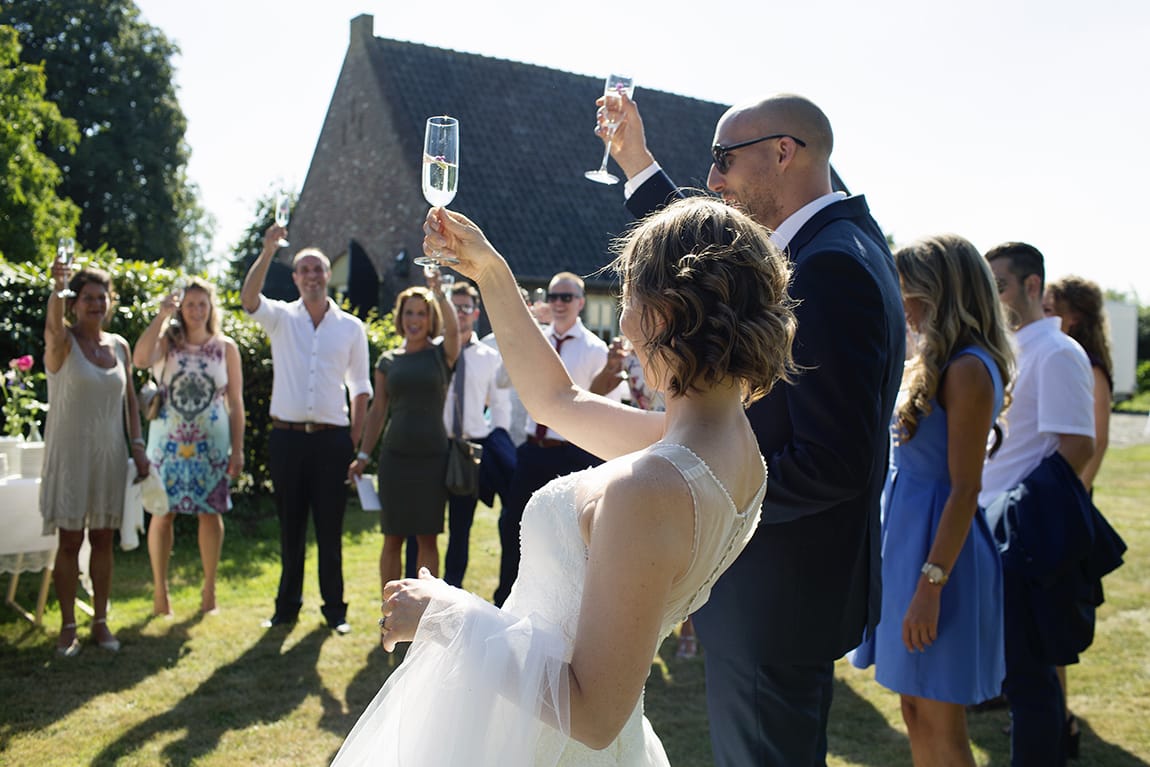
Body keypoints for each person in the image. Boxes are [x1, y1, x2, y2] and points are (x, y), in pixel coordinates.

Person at [332, 195, 797, 766]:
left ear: (668, 310)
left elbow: (595, 714)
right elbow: (557, 399)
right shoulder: (734, 454)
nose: (623, 320)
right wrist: (489, 271)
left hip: (536, 740)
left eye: (630, 297)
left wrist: (446, 612)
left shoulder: (649, 487)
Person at [598, 91, 905, 765]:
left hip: (776, 595)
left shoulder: (831, 269)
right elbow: (710, 260)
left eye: (722, 160)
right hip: (785, 590)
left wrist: (713, 504)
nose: (712, 181)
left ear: (783, 152)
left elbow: (834, 460)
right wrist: (638, 164)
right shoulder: (837, 245)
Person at [849, 234, 1014, 765]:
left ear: (937, 292)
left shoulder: (968, 368)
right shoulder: (936, 362)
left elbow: (966, 488)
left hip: (941, 560)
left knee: (942, 721)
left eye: (907, 292)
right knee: (915, 711)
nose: (902, 305)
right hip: (907, 550)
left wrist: (931, 585)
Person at [982, 242, 1095, 766]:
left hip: (1022, 536)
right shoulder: (1014, 348)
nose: (993, 296)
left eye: (999, 285)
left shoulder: (1058, 352)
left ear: (1033, 287)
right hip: (991, 530)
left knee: (1030, 681)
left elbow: (1077, 445)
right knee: (1013, 676)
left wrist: (1014, 512)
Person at [241, 225, 372, 634]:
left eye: (318, 269)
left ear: (327, 275)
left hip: (332, 441)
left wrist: (353, 439)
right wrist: (267, 251)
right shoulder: (281, 318)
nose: (312, 275)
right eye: (304, 270)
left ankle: (335, 611)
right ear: (295, 278)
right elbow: (248, 300)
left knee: (330, 529)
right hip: (286, 439)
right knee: (290, 527)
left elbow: (362, 388)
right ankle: (286, 608)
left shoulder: (351, 327)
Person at [491, 271, 624, 607]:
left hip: (573, 454)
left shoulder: (595, 349)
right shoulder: (535, 339)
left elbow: (612, 404)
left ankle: (562, 607)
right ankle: (507, 601)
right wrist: (523, 334)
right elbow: (502, 380)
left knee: (567, 538)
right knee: (512, 526)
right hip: (533, 450)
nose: (559, 304)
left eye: (566, 297)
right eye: (553, 297)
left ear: (581, 303)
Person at [41, 264, 150, 656]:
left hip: (110, 458)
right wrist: (57, 286)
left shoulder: (119, 346)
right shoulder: (63, 342)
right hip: (70, 457)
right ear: (73, 303)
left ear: (110, 302)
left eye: (101, 297)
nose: (95, 303)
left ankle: (100, 622)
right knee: (69, 540)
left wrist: (137, 446)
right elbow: (52, 328)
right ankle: (67, 627)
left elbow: (131, 404)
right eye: (87, 297)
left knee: (103, 538)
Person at [133, 277, 245, 616]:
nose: (196, 310)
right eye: (190, 304)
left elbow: (236, 402)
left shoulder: (226, 348)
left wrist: (237, 449)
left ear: (211, 307)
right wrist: (160, 317)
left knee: (210, 514)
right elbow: (139, 360)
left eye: (202, 303)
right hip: (167, 445)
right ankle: (160, 592)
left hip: (211, 446)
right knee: (161, 514)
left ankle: (209, 591)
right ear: (181, 307)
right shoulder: (167, 342)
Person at [349, 277, 459, 592]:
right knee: (392, 538)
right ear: (400, 317)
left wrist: (440, 294)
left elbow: (453, 331)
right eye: (409, 313)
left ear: (431, 318)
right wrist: (362, 456)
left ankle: (426, 611)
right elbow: (377, 411)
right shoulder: (387, 361)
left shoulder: (442, 355)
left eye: (421, 314)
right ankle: (392, 611)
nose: (414, 320)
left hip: (432, 459)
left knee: (427, 537)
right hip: (395, 459)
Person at [1042, 274, 1114, 757]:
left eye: (1054, 306)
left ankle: (1056, 719)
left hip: (1065, 507)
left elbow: (1096, 442)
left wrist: (1068, 498)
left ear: (1076, 315)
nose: (1045, 313)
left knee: (1052, 628)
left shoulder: (1087, 365)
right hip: (1056, 502)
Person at [440, 281, 514, 588]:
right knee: (424, 527)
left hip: (471, 447)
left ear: (475, 313)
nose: (459, 314)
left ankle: (452, 588)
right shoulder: (434, 350)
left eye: (465, 308)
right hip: (436, 446)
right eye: (453, 307)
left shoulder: (488, 356)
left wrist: (497, 439)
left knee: (461, 525)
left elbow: (499, 404)